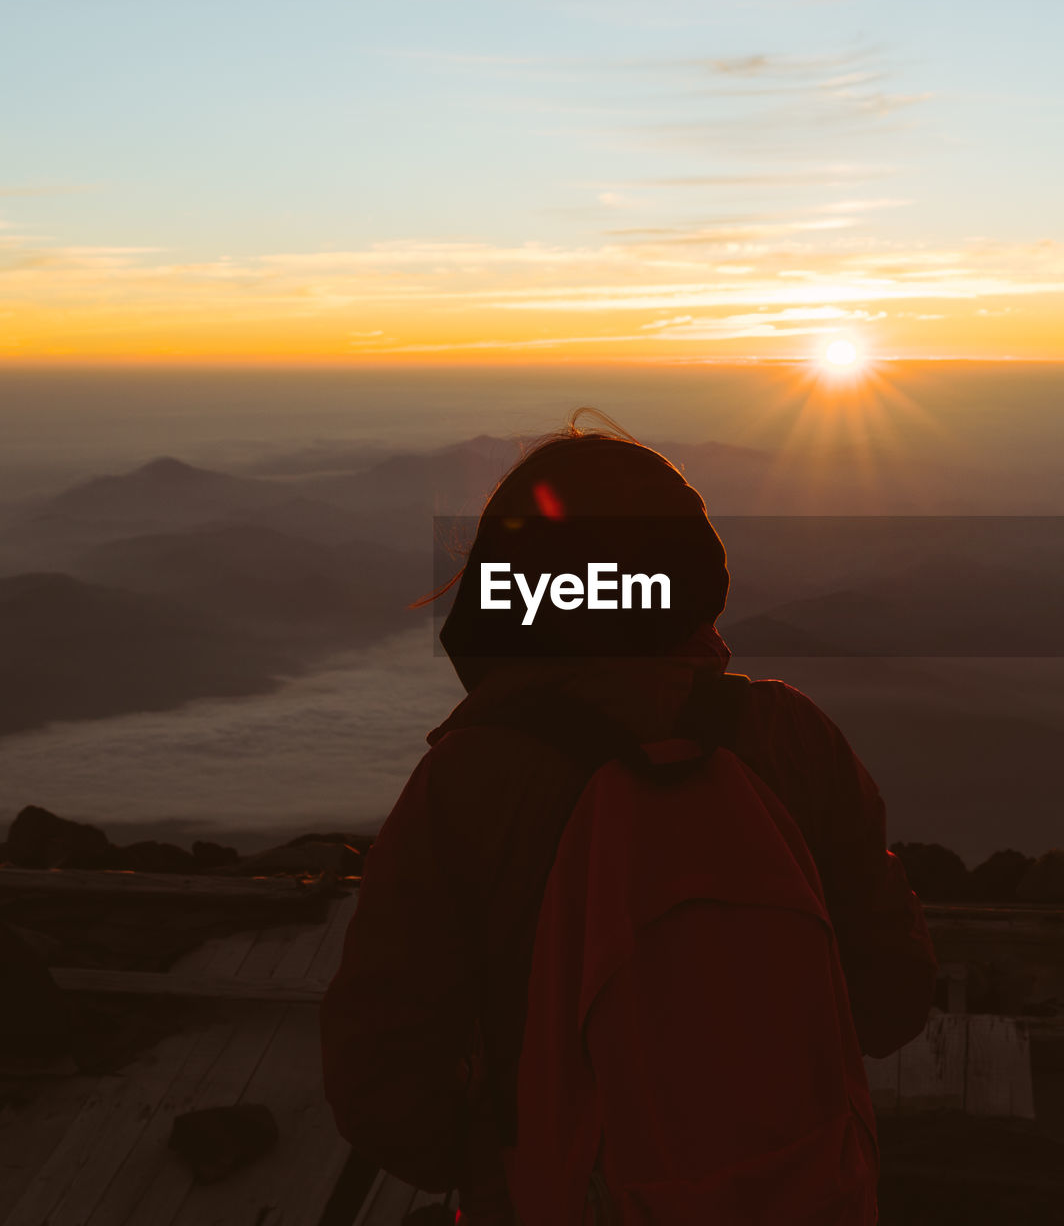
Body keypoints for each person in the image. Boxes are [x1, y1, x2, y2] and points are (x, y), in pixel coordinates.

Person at [321, 418, 937, 1222]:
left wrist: (510, 1159)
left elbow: (382, 1084)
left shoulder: (466, 785)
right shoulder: (793, 740)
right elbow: (893, 998)